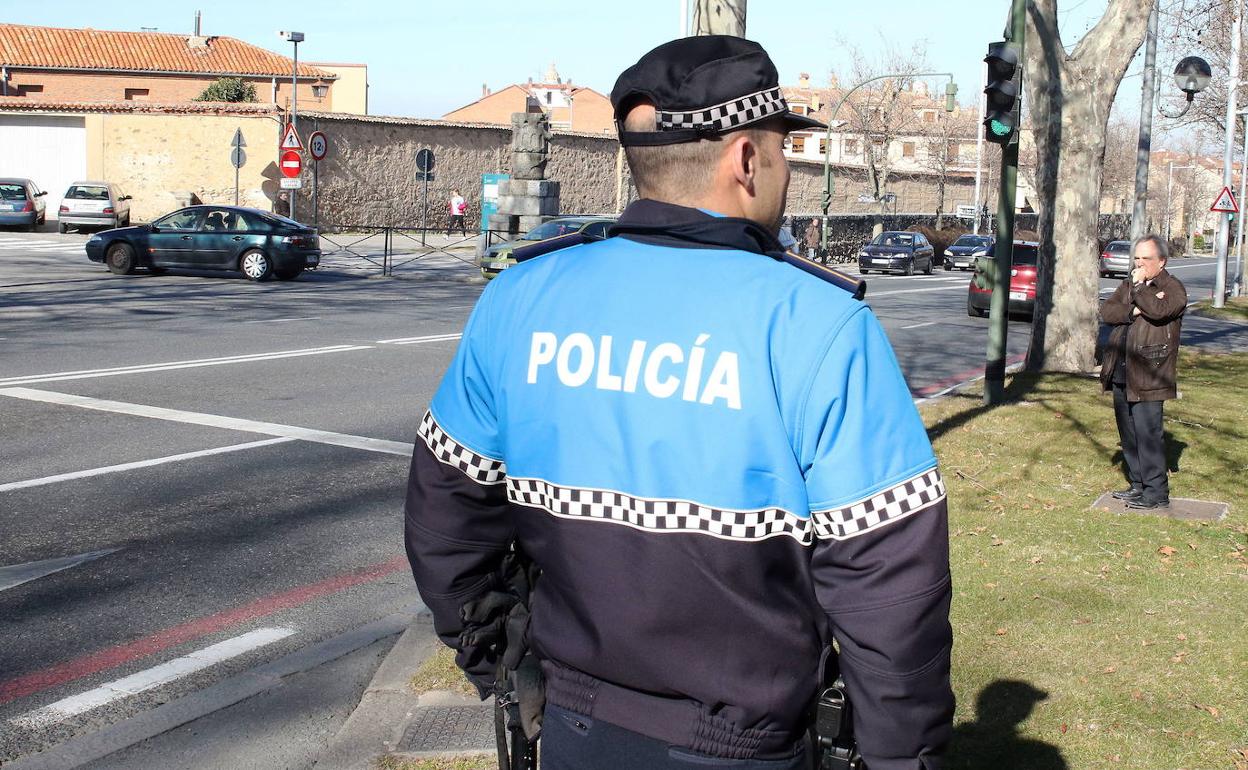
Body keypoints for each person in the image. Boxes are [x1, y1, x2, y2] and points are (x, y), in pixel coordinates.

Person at [405, 35, 953, 770]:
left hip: (573, 729)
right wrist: (898, 759)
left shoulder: (521, 297)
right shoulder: (819, 325)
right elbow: (889, 580)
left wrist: (506, 661)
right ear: (747, 160)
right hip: (750, 744)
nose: (788, 168)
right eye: (784, 148)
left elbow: (445, 512)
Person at [1099, 234, 1186, 509]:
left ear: (1162, 261)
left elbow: (1160, 311)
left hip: (1151, 371)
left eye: (1146, 258)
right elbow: (1107, 311)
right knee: (1129, 433)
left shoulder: (1173, 288)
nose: (1139, 263)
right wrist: (1134, 310)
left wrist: (1139, 293)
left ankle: (1156, 492)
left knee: (1148, 434)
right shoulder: (1129, 285)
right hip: (1121, 369)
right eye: (1136, 258)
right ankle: (1138, 484)